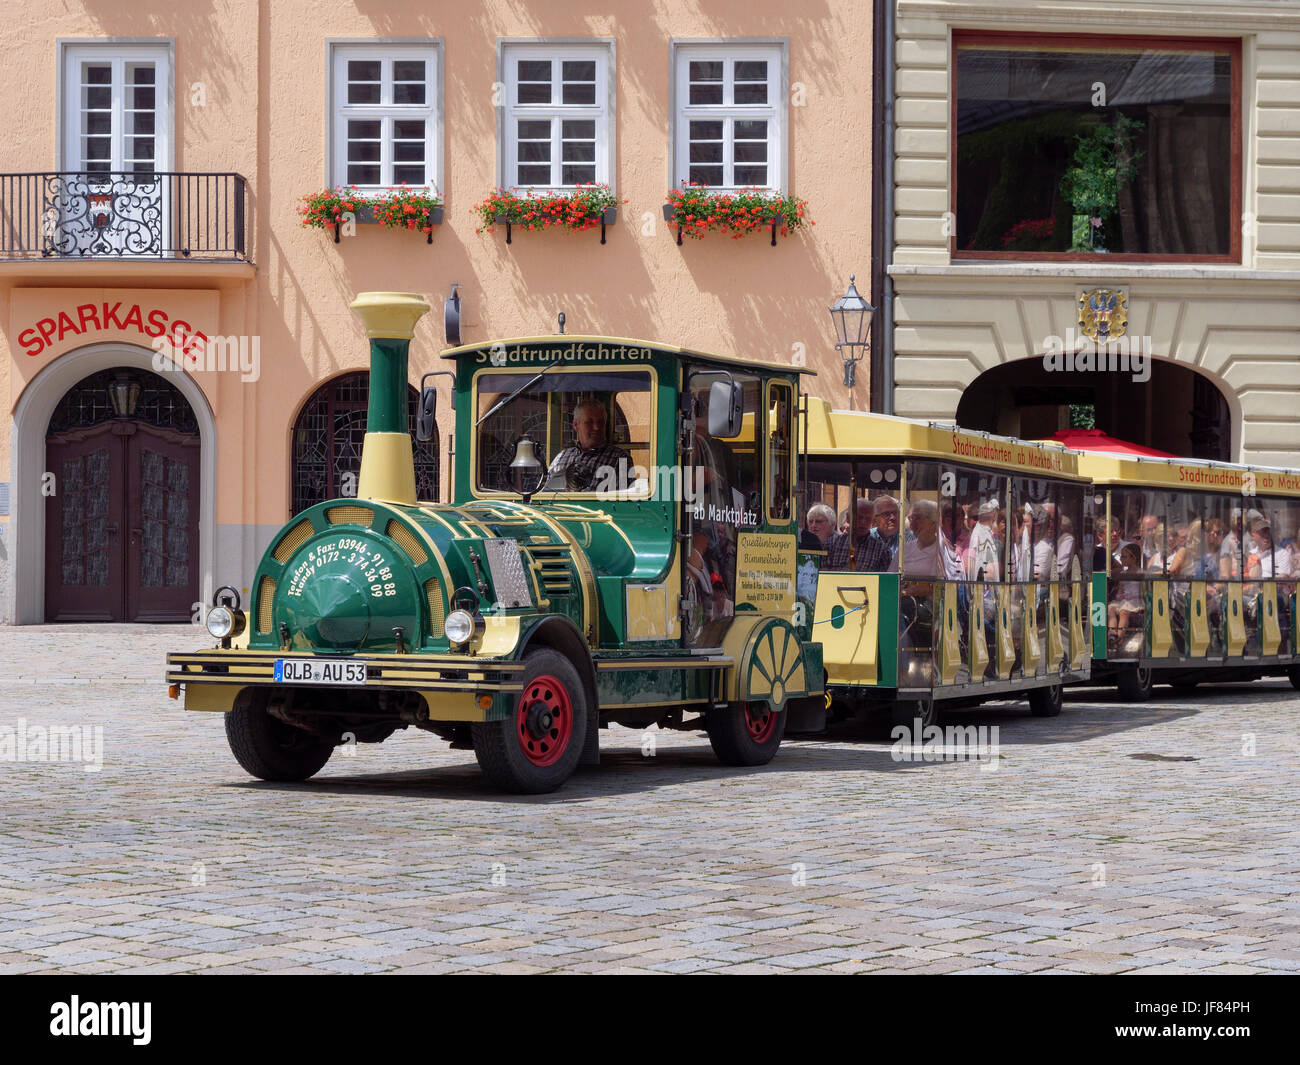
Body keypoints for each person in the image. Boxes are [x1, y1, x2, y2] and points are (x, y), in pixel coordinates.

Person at [546, 399, 632, 492]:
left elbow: (624, 502)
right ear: (575, 424)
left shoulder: (620, 459)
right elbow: (546, 495)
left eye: (600, 422)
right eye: (589, 422)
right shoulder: (561, 458)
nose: (596, 427)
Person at [826, 498, 893, 572]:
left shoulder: (882, 551)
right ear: (848, 518)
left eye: (868, 518)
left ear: (873, 521)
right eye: (859, 517)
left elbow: (884, 580)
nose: (863, 522)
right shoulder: (831, 544)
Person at [1108, 543, 1144, 649]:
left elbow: (1143, 589)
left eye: (1124, 556)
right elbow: (1120, 589)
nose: (1121, 559)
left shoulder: (1140, 572)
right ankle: (1112, 633)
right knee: (1111, 609)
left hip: (1136, 600)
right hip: (1124, 600)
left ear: (1133, 558)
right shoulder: (1123, 573)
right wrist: (1120, 595)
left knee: (1124, 612)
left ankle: (1119, 638)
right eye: (1121, 556)